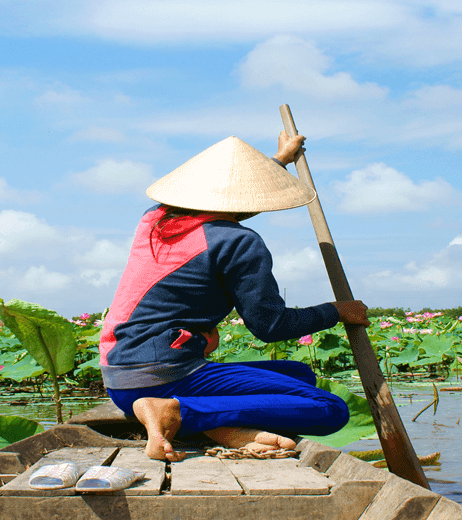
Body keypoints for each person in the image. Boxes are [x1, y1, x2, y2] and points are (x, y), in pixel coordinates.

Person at [97, 133, 371, 461]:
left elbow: (231, 202)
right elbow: (270, 326)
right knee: (329, 408)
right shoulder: (239, 243)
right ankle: (179, 413)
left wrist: (279, 160)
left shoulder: (154, 220)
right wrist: (336, 311)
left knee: (299, 375)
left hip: (118, 378)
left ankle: (212, 423)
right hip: (163, 377)